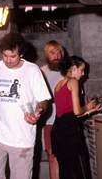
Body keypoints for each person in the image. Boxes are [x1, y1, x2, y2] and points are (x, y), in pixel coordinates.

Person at [0, 32, 51, 179]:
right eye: (5, 56)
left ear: (21, 54)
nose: (8, 60)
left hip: (22, 138)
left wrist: (38, 111)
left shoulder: (32, 70)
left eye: (12, 56)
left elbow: (44, 100)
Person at [52, 56, 102, 179]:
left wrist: (90, 111)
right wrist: (87, 106)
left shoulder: (58, 84)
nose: (83, 73)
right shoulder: (73, 82)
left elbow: (68, 114)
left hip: (58, 131)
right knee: (80, 170)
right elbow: (77, 111)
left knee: (66, 172)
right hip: (70, 134)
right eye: (82, 70)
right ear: (74, 68)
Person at [40, 40, 65, 179]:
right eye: (52, 53)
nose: (56, 56)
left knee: (67, 157)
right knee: (52, 156)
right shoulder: (41, 72)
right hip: (49, 121)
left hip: (66, 121)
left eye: (58, 52)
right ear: (46, 55)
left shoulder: (68, 71)